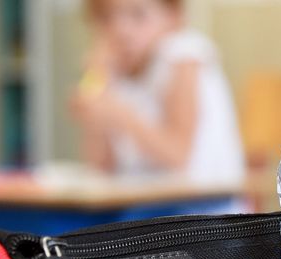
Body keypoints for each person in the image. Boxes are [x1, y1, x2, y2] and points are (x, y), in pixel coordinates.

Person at [72, 0, 245, 184]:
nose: (121, 30)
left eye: (138, 14)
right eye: (107, 18)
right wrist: (96, 81)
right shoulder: (116, 71)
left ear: (172, 16)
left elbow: (178, 155)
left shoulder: (184, 53)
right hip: (148, 199)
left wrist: (120, 115)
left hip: (205, 202)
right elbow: (101, 166)